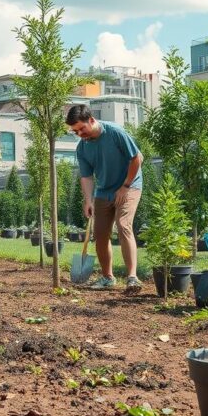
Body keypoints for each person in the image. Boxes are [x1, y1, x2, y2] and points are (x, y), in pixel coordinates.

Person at [66, 104, 144, 294]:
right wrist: (88, 200)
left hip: (130, 184)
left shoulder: (115, 132)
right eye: (75, 131)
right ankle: (108, 277)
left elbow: (137, 158)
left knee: (123, 224)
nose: (79, 133)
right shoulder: (82, 147)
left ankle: (132, 278)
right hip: (104, 190)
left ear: (91, 120)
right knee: (100, 233)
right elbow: (86, 176)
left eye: (81, 128)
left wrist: (125, 187)